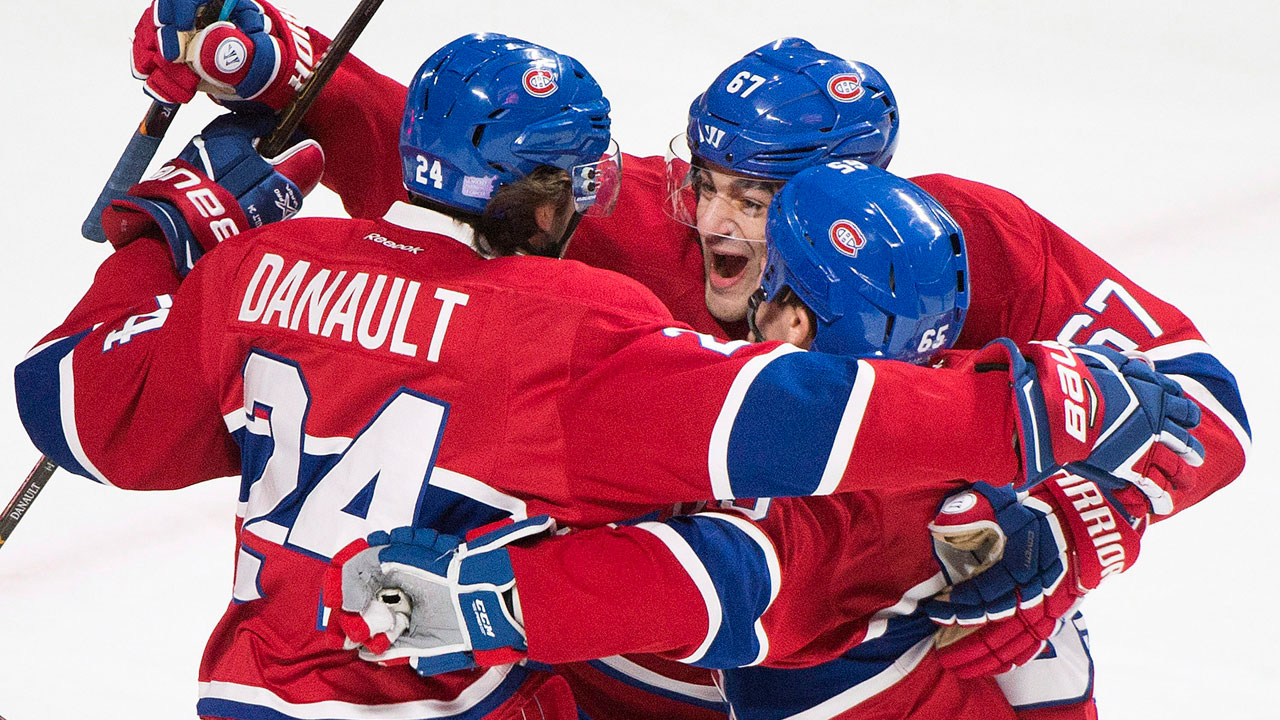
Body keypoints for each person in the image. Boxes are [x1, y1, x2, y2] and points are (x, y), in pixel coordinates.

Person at [18, 27, 1183, 720]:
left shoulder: (313, 272)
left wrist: (1071, 514)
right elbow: (456, 175)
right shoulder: (617, 267)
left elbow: (741, 567)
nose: (715, 228)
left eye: (758, 202)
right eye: (707, 181)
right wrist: (286, 64)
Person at [325, 162, 1178, 720]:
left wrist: (480, 595)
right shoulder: (968, 402)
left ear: (798, 312)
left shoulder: (840, 490)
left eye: (772, 275)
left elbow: (716, 581)